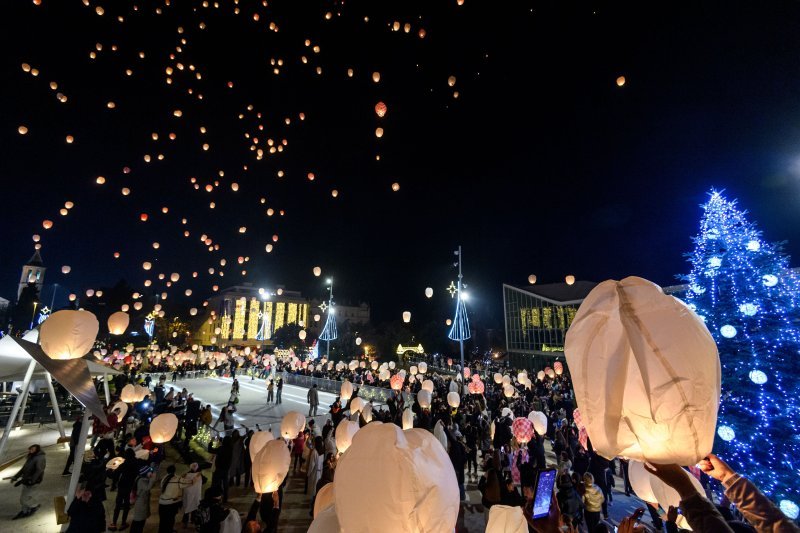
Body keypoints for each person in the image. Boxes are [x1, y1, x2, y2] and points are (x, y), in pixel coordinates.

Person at [10, 444, 46, 519]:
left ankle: (34, 506)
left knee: (23, 499)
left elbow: (39, 470)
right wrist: (15, 476)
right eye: (30, 449)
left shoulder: (40, 458)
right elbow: (24, 468)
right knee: (25, 496)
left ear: (37, 450)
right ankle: (24, 511)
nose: (30, 451)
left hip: (33, 481)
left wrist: (32, 480)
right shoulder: (31, 456)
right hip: (26, 480)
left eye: (32, 449)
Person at [109, 448, 138, 530]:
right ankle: (123, 523)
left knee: (118, 504)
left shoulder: (123, 462)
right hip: (129, 485)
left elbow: (116, 474)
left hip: (122, 484)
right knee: (126, 504)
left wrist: (110, 471)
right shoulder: (136, 462)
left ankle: (114, 523)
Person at [129, 466, 157, 533]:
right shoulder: (141, 480)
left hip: (142, 502)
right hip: (141, 503)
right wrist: (152, 478)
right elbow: (148, 487)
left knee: (140, 520)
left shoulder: (142, 478)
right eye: (150, 472)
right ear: (146, 473)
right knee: (139, 521)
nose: (151, 473)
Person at [158, 464, 183, 533]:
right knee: (170, 520)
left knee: (163, 521)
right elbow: (188, 482)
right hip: (171, 504)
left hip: (162, 504)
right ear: (175, 471)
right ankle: (169, 530)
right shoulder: (177, 479)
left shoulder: (163, 479)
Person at [180, 462, 204, 527]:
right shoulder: (199, 475)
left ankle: (185, 522)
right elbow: (204, 481)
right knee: (195, 507)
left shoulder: (186, 475)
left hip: (188, 495)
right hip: (196, 495)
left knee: (187, 508)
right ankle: (193, 520)